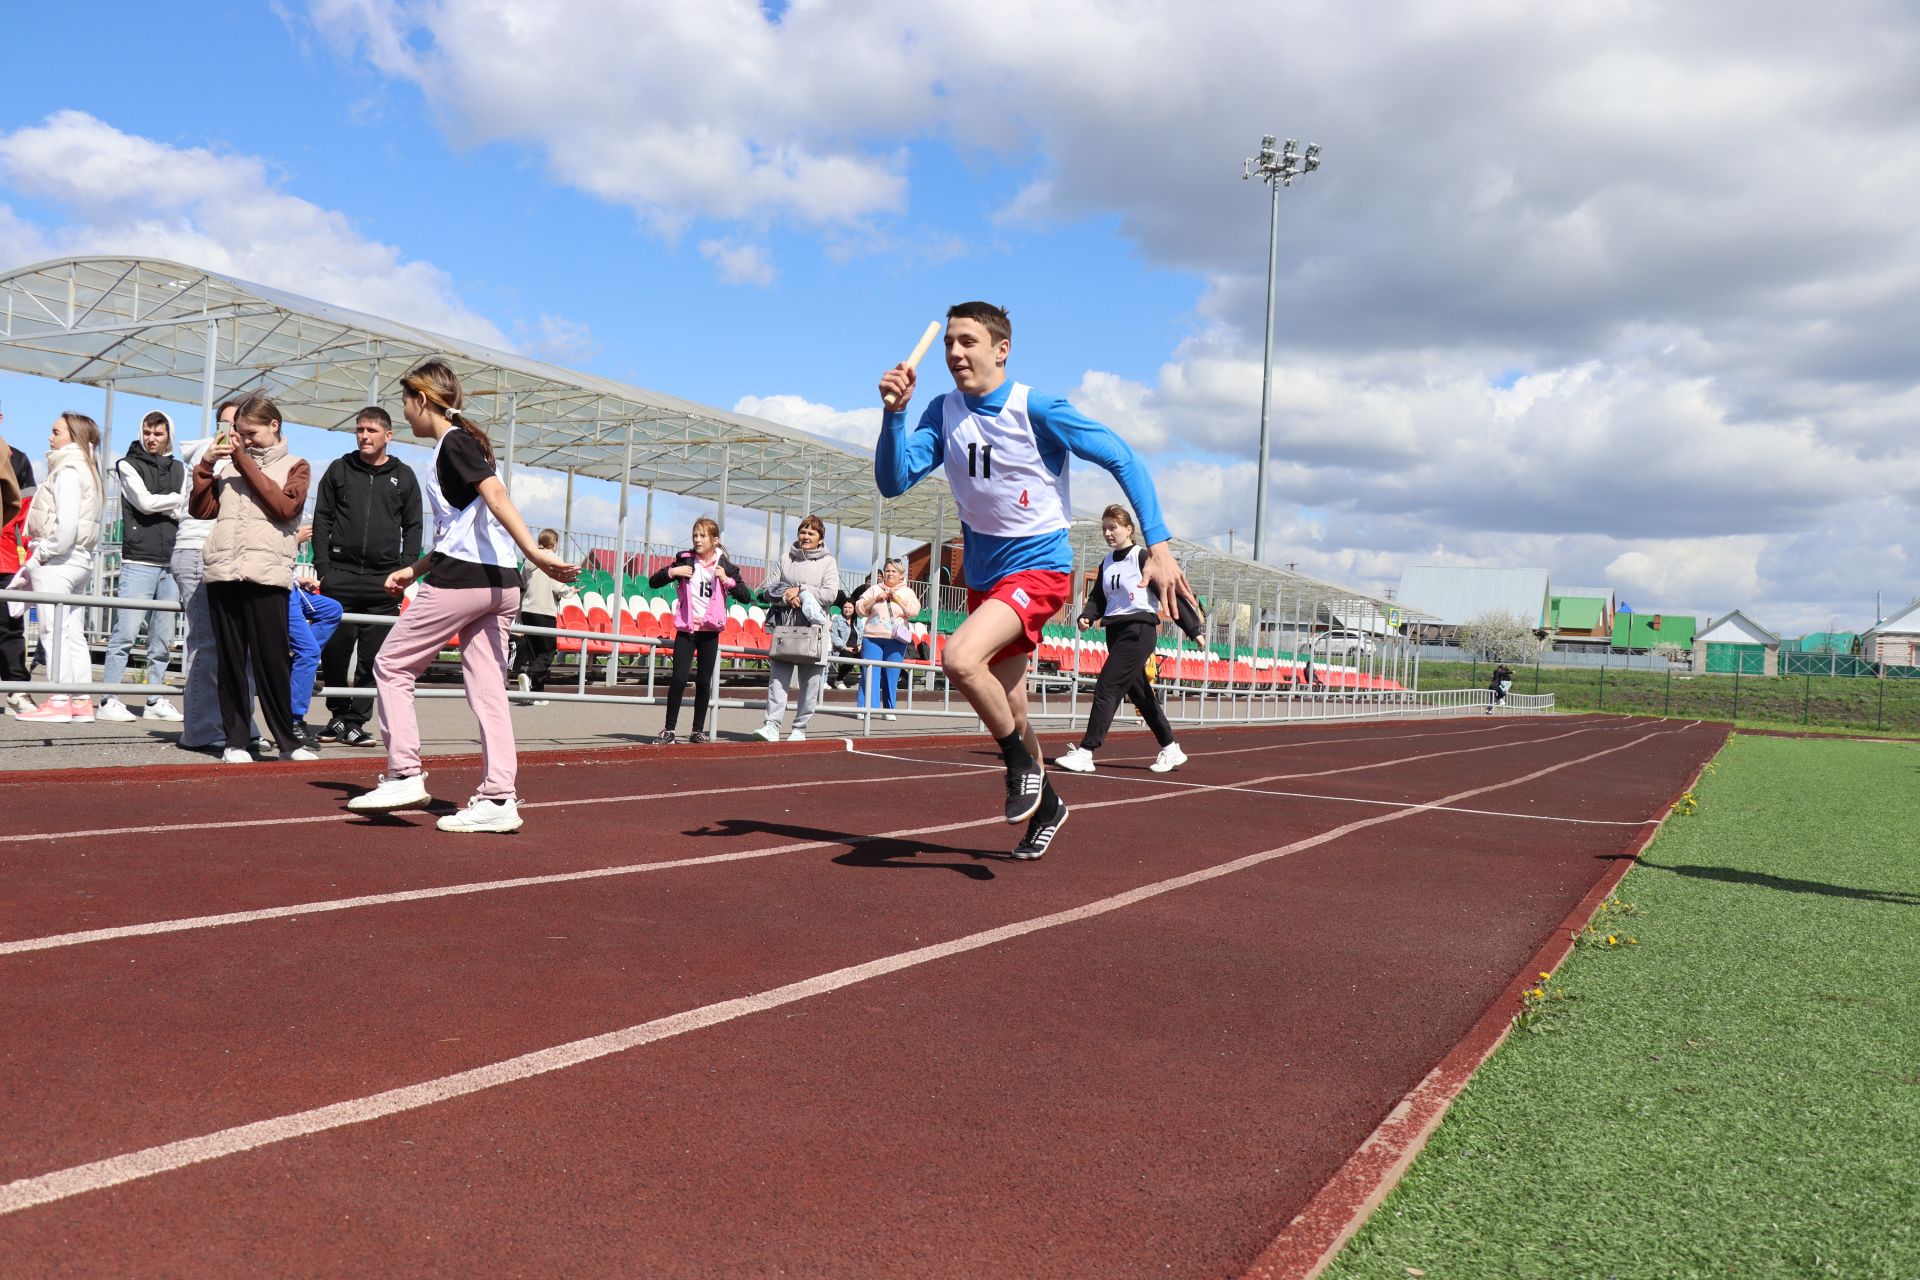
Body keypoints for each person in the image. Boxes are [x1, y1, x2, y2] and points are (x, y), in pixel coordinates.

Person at [876, 300, 1194, 859]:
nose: (954, 352)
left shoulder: (1038, 408)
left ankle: (1019, 767)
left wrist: (1160, 547)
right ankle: (1048, 805)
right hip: (984, 575)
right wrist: (894, 416)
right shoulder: (940, 411)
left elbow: (1124, 458)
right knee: (1013, 709)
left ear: (1001, 350)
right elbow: (893, 480)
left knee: (959, 658)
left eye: (967, 341)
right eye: (949, 341)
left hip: (1039, 568)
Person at [346, 359, 578, 831]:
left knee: (390, 666)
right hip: (498, 583)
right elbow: (466, 527)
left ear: (422, 400)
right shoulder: (465, 444)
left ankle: (404, 773)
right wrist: (414, 568)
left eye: (405, 404)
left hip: (466, 582)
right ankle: (498, 799)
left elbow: (496, 495)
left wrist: (535, 551)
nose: (404, 414)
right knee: (490, 692)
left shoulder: (453, 442)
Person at [189, 393, 313, 763]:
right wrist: (205, 467)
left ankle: (288, 742)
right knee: (229, 661)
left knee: (272, 661)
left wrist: (241, 460)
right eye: (237, 433)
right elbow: (201, 509)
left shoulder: (297, 465)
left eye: (250, 432)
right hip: (224, 572)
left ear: (274, 426)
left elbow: (284, 507)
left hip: (268, 575)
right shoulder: (227, 465)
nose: (242, 439)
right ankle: (235, 742)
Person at [1054, 504, 1203, 775]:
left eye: (1113, 527)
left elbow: (1170, 593)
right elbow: (1098, 597)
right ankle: (1171, 749)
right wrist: (1087, 616)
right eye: (1104, 529)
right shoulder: (1107, 562)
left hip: (1139, 630)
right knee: (1142, 696)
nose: (1108, 533)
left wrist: (1193, 629)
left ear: (1129, 529)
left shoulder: (1143, 556)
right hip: (1115, 631)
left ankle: (1086, 752)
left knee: (1106, 687)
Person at [312, 406, 421, 748]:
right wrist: (324, 570)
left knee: (374, 658)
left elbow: (414, 527)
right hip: (339, 578)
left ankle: (355, 721)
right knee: (334, 653)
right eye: (360, 429)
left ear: (388, 436)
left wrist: (404, 570)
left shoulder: (403, 477)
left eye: (372, 430)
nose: (364, 436)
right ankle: (338, 716)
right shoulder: (339, 470)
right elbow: (322, 520)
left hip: (383, 582)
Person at [175, 400, 268, 756]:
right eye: (230, 424)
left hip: (231, 556)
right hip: (199, 551)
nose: (237, 433)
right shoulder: (213, 452)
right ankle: (199, 728)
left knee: (239, 648)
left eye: (244, 425)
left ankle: (241, 723)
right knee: (208, 646)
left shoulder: (244, 455)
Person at [9, 412, 103, 724]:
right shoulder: (88, 468)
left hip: (58, 559)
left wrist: (40, 554)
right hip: (79, 559)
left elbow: (64, 528)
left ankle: (60, 699)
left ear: (73, 436)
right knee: (72, 632)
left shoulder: (66, 470)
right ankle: (80, 700)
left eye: (56, 431)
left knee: (54, 631)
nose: (50, 437)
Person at [98, 411, 187, 723]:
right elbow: (145, 503)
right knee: (126, 633)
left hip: (170, 560)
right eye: (147, 432)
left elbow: (184, 508)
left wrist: (175, 503)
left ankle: (156, 697)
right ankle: (109, 698)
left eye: (158, 433)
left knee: (163, 637)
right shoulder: (127, 464)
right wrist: (176, 501)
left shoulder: (180, 467)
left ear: (168, 436)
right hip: (138, 559)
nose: (152, 438)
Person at [647, 516, 751, 744]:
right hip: (686, 631)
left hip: (709, 632)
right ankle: (669, 730)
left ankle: (697, 731)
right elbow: (653, 582)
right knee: (679, 679)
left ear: (715, 540)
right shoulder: (684, 561)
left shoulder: (725, 566)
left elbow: (746, 596)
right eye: (695, 535)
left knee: (704, 682)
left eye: (703, 535)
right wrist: (673, 573)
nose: (697, 539)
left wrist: (727, 581)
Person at [754, 514, 841, 742]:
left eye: (811, 533)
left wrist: (801, 590)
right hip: (785, 629)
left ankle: (799, 728)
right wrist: (786, 596)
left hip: (814, 633)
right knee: (777, 681)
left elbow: (831, 594)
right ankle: (771, 725)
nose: (806, 536)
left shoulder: (828, 562)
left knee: (810, 685)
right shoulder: (786, 558)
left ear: (820, 538)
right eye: (803, 531)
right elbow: (766, 589)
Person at [288, 526, 344, 746]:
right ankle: (293, 720)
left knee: (332, 609)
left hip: (291, 586)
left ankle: (297, 666)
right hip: (278, 589)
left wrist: (297, 578)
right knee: (309, 652)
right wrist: (294, 539)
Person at [0, 419, 37, 716]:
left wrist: (25, 553)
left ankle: (16, 689)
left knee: (11, 628)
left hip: (6, 557)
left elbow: (27, 513)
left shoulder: (19, 459)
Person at [512, 528, 574, 706]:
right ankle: (530, 675)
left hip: (528, 610)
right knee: (548, 651)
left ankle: (536, 694)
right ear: (554, 543)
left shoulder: (530, 559)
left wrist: (518, 612)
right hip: (544, 610)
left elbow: (521, 585)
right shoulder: (554, 559)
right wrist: (571, 591)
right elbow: (558, 586)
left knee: (534, 652)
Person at [855, 558, 920, 719]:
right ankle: (865, 708)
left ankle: (889, 709)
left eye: (894, 571)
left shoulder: (907, 592)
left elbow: (913, 611)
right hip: (872, 637)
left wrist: (896, 598)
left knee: (891, 675)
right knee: (870, 672)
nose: (890, 574)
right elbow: (860, 609)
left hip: (896, 639)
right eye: (887, 570)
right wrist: (876, 599)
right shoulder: (874, 589)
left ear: (901, 575)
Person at [828, 597, 859, 689]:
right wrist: (845, 647)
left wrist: (860, 644)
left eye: (850, 608)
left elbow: (861, 634)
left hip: (856, 647)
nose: (847, 610)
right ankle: (839, 679)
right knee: (849, 657)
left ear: (854, 609)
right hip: (842, 648)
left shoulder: (857, 621)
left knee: (866, 657)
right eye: (845, 607)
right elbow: (834, 636)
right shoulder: (837, 619)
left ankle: (866, 681)